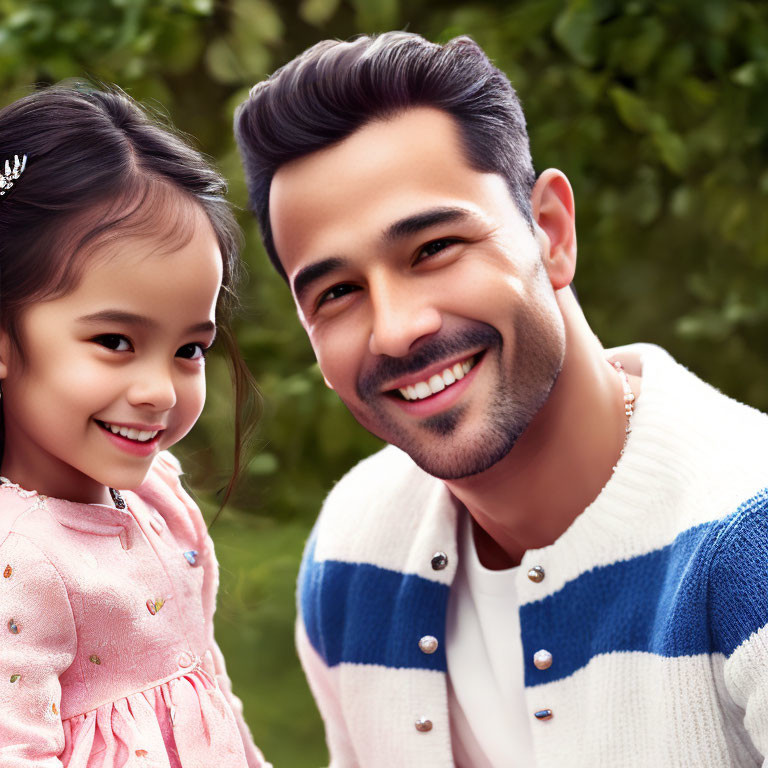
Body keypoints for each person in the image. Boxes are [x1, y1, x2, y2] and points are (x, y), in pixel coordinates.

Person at [234, 32, 768, 768]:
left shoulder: (747, 542)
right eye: (337, 293)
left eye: (433, 249)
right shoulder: (352, 552)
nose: (395, 331)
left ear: (550, 231)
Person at [0, 86, 269, 767]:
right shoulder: (18, 564)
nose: (157, 392)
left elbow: (206, 686)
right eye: (116, 341)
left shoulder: (157, 497)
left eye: (189, 350)